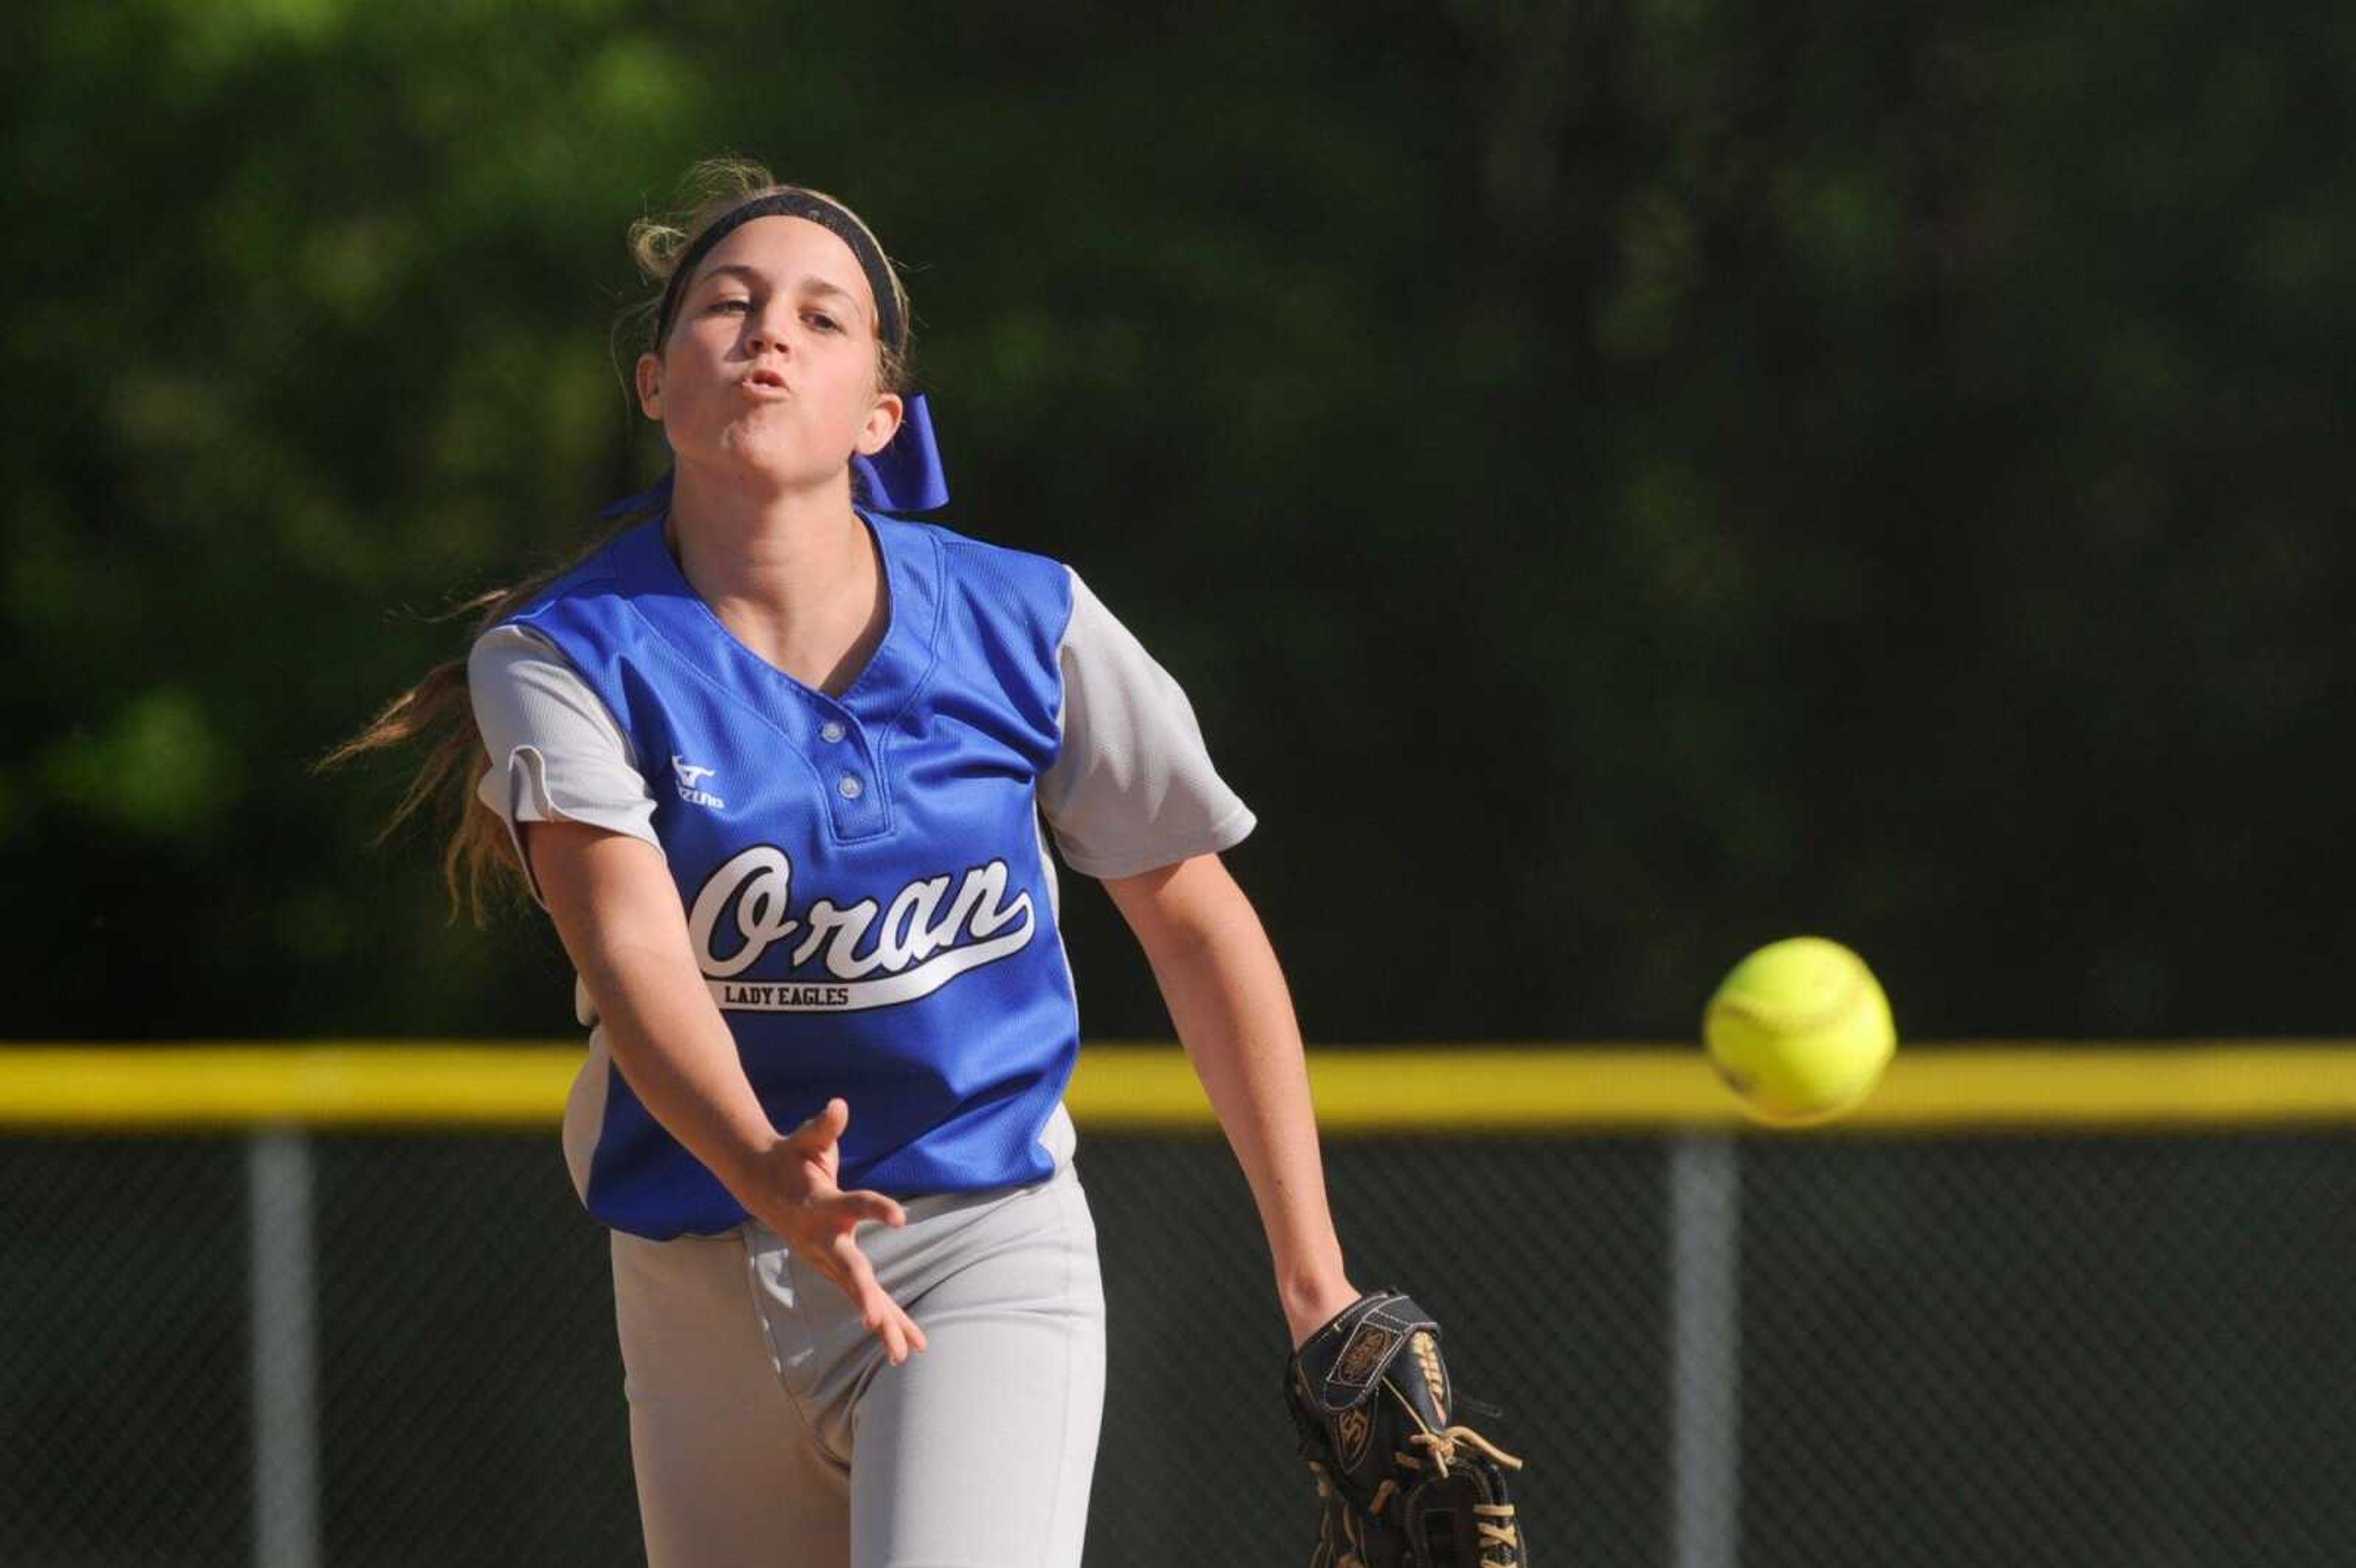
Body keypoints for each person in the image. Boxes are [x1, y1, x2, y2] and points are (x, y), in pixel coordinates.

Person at [326, 158, 1364, 1567]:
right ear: (653, 383)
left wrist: (1319, 1287)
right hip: (702, 1277)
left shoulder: (1027, 625)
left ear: (881, 413)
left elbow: (1195, 923)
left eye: (824, 318)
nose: (769, 332)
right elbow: (629, 952)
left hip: (975, 1242)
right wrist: (764, 1168)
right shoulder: (567, 656)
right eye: (728, 305)